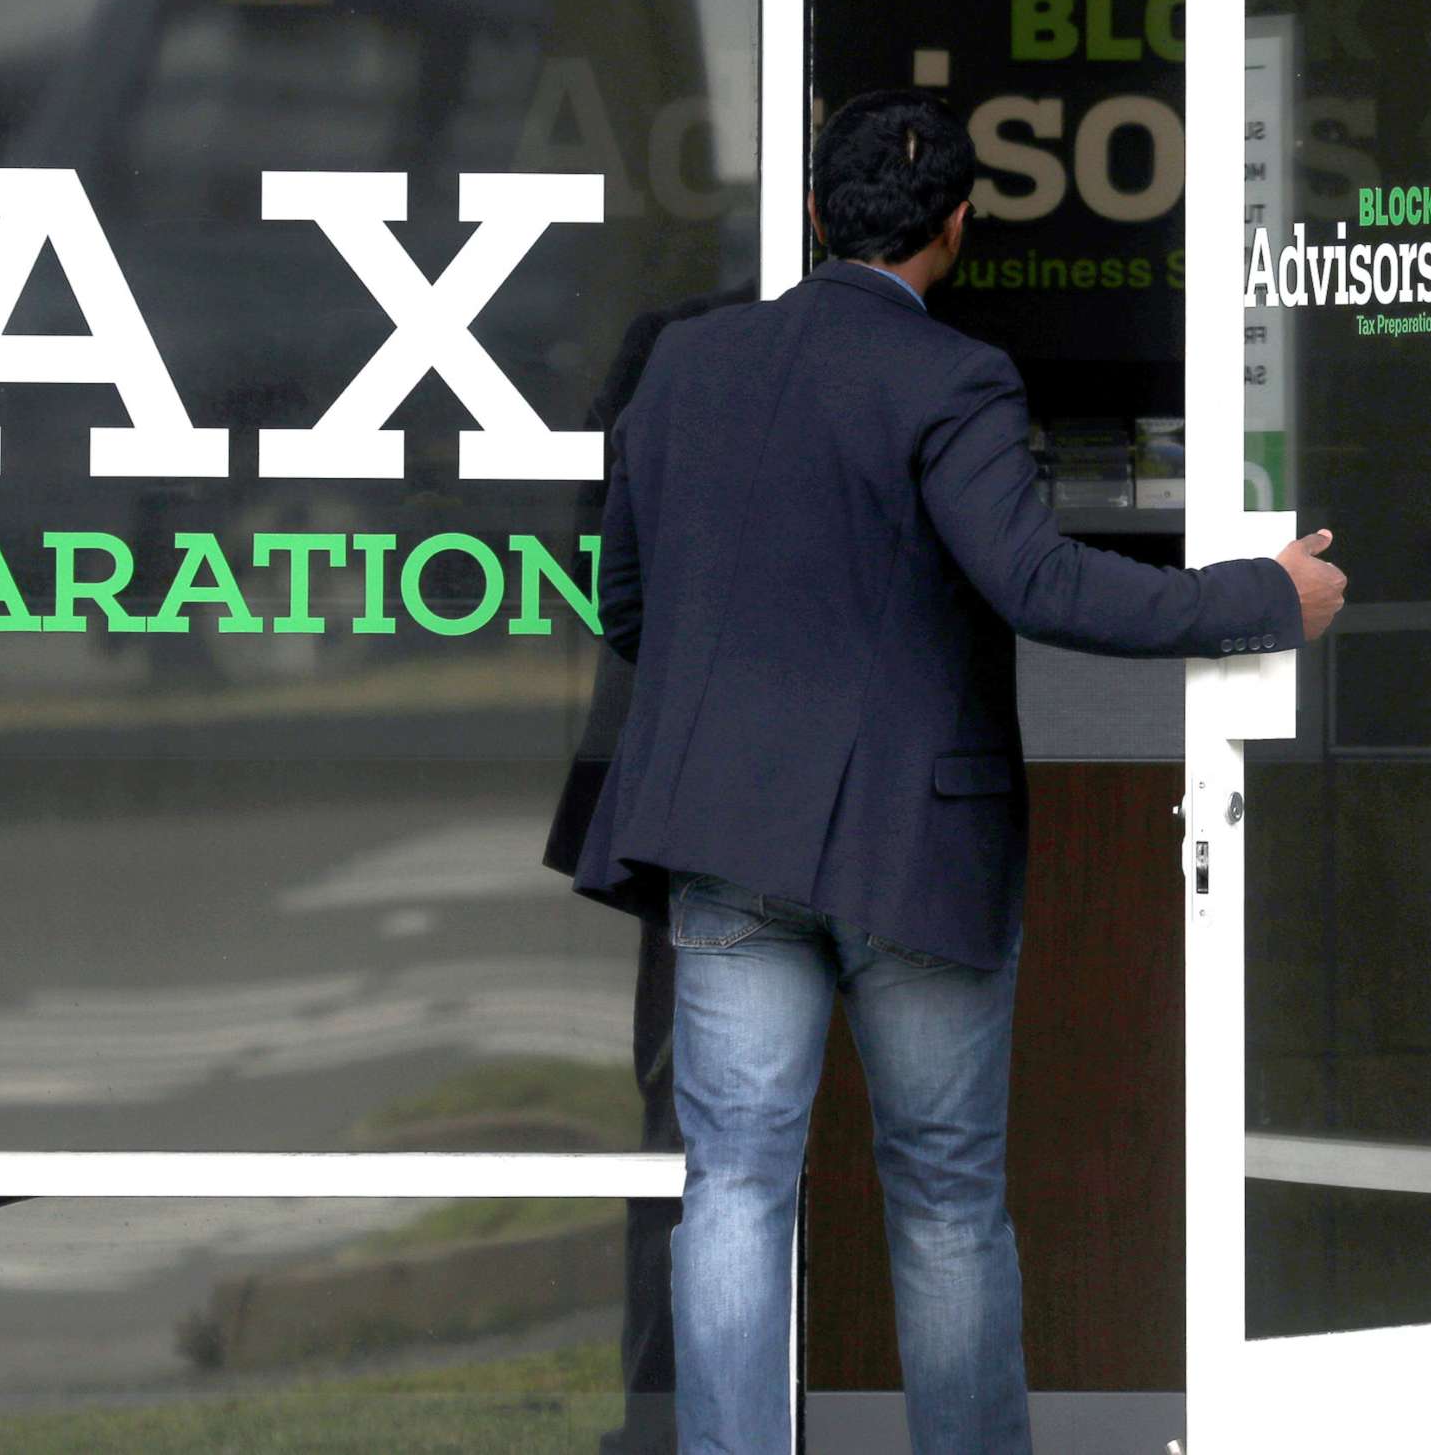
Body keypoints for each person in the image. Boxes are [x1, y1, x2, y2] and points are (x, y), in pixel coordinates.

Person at [571, 87, 1346, 1454]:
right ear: (959, 227)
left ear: (815, 213)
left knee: (735, 1190)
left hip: (728, 836)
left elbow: (625, 604)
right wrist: (1263, 598)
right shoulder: (956, 378)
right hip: (911, 855)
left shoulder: (686, 367)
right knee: (941, 1199)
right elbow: (1041, 584)